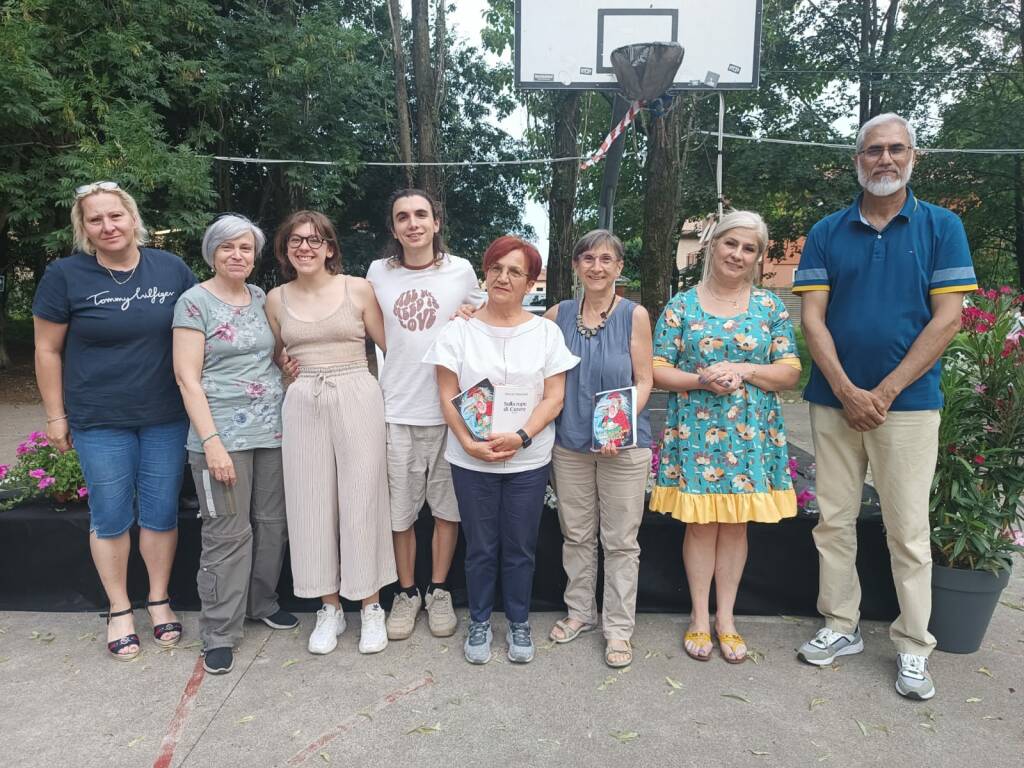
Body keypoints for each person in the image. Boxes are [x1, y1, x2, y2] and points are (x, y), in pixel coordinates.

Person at [793, 113, 978, 700]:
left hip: (911, 405)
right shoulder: (827, 231)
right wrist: (848, 390)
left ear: (913, 157)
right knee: (834, 522)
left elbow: (947, 319)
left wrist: (886, 391)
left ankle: (913, 645)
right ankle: (839, 626)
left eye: (897, 149)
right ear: (858, 160)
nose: (885, 159)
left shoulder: (943, 227)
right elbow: (813, 319)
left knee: (908, 531)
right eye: (873, 150)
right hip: (833, 402)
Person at [32, 181, 196, 661]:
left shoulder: (170, 268)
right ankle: (121, 608)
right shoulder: (65, 275)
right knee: (110, 516)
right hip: (99, 418)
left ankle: (159, 601)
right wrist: (55, 415)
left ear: (132, 217)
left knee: (161, 512)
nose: (108, 226)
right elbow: (46, 349)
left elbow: (200, 328)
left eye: (115, 216)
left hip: (165, 415)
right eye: (96, 219)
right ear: (83, 228)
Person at [651, 211, 801, 664]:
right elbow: (656, 369)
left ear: (757, 258)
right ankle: (700, 616)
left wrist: (746, 369)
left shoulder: (769, 307)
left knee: (736, 526)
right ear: (713, 245)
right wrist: (701, 380)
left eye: (749, 248)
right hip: (696, 433)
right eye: (730, 243)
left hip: (750, 436)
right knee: (700, 525)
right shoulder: (682, 306)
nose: (738, 254)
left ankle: (727, 619)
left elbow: (789, 371)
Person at [424, 235, 579, 665]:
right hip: (470, 459)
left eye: (515, 271)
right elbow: (446, 393)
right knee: (480, 546)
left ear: (531, 283)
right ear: (484, 273)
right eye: (496, 268)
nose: (503, 277)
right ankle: (478, 621)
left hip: (528, 459)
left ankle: (518, 621)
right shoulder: (458, 331)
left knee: (520, 546)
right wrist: (470, 444)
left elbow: (554, 397)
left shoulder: (546, 332)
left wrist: (523, 437)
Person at [265, 210, 396, 656]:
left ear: (330, 248)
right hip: (304, 401)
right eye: (296, 241)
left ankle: (371, 606)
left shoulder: (358, 288)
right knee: (311, 502)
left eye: (315, 240)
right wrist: (286, 367)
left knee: (362, 499)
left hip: (357, 392)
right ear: (285, 250)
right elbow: (278, 356)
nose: (305, 247)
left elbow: (389, 348)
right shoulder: (276, 299)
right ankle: (329, 606)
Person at [172, 214, 298, 675]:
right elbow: (187, 379)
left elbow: (270, 355)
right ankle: (220, 630)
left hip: (272, 432)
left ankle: (261, 602)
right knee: (226, 533)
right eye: (228, 248)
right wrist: (212, 444)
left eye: (245, 248)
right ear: (212, 252)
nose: (237, 255)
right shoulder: (193, 303)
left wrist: (288, 365)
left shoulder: (261, 297)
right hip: (220, 436)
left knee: (271, 523)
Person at [366, 189, 484, 642]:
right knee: (401, 515)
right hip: (395, 410)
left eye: (421, 215)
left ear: (436, 222)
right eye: (402, 217)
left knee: (447, 512)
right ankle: (407, 592)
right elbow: (363, 320)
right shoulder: (378, 273)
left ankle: (438, 591)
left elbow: (486, 313)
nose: (412, 223)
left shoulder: (461, 271)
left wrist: (474, 311)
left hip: (449, 414)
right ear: (393, 228)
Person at [543, 229, 653, 668]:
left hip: (622, 448)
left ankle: (619, 628)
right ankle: (580, 613)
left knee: (622, 541)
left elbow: (645, 380)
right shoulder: (557, 315)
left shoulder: (634, 315)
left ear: (619, 267)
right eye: (587, 258)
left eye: (606, 259)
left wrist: (618, 428)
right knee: (577, 534)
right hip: (569, 443)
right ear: (575, 266)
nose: (597, 266)